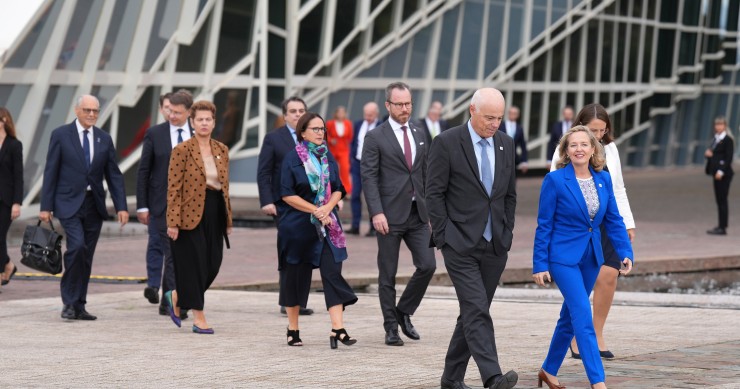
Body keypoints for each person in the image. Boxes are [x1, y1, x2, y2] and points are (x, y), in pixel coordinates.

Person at [426, 88, 518, 389]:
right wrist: (443, 237)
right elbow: (434, 193)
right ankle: (492, 377)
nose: (495, 124)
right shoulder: (447, 142)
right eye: (489, 117)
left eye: (499, 118)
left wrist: (506, 233)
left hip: (495, 245)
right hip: (459, 243)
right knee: (476, 308)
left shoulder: (506, 143)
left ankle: (451, 379)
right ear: (472, 110)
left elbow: (509, 196)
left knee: (473, 311)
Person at [533, 126, 634, 389]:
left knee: (568, 318)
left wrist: (625, 252)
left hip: (591, 257)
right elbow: (544, 224)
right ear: (566, 151)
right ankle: (598, 381)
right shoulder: (555, 180)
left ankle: (548, 370)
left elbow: (613, 219)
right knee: (582, 315)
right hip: (562, 258)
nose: (579, 149)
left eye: (584, 145)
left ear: (593, 149)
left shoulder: (603, 179)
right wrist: (540, 264)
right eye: (573, 145)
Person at [549, 103, 636, 360]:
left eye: (602, 130)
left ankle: (596, 333)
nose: (597, 136)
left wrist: (628, 222)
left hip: (607, 222)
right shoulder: (565, 148)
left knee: (610, 274)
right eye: (592, 130)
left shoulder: (611, 148)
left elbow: (618, 188)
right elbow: (555, 187)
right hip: (578, 227)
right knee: (582, 283)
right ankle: (577, 335)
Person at [40, 95, 129, 320]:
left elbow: (114, 175)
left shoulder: (104, 139)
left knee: (86, 255)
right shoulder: (60, 135)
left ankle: (79, 304)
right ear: (76, 110)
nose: (91, 114)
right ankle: (69, 302)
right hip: (68, 203)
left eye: (95, 111)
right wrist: (46, 205)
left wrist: (121, 206)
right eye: (87, 110)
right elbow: (51, 171)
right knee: (77, 247)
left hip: (94, 204)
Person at [362, 81, 436, 346]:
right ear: (388, 105)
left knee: (428, 265)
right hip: (389, 216)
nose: (405, 109)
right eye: (400, 104)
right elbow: (368, 177)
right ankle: (391, 328)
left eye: (408, 104)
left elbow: (426, 172)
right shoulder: (375, 137)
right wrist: (376, 212)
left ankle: (403, 311)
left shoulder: (419, 131)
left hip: (418, 213)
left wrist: (432, 211)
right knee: (388, 274)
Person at [278, 112, 358, 348]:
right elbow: (286, 193)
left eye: (323, 129)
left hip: (328, 225)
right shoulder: (292, 158)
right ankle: (293, 329)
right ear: (302, 132)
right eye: (315, 129)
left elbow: (339, 188)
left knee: (332, 271)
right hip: (298, 227)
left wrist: (328, 208)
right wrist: (315, 209)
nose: (321, 133)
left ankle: (338, 329)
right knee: (295, 277)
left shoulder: (327, 157)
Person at [164, 100, 232, 334]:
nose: (204, 123)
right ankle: (199, 317)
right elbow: (173, 188)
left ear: (214, 123)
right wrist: (172, 222)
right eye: (199, 119)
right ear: (192, 123)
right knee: (195, 266)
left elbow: (225, 187)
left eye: (208, 119)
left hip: (215, 211)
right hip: (188, 214)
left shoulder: (222, 149)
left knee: (213, 264)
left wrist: (228, 219)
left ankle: (177, 295)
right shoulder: (181, 150)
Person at [136, 91, 193, 316]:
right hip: (160, 203)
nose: (172, 115)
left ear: (189, 112)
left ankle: (168, 299)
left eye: (177, 112)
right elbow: (144, 171)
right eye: (169, 110)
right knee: (169, 251)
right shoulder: (155, 134)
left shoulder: (197, 133)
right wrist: (142, 205)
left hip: (190, 205)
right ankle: (175, 301)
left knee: (180, 254)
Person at [257, 96, 315, 316]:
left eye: (301, 110)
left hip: (310, 205)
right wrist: (267, 201)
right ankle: (288, 300)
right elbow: (264, 171)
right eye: (293, 111)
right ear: (285, 115)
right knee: (289, 250)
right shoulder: (274, 139)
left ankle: (301, 300)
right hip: (283, 205)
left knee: (308, 250)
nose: (298, 114)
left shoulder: (314, 137)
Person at [348, 102, 381, 236]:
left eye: (370, 115)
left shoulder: (381, 126)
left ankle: (374, 227)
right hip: (357, 164)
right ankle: (355, 226)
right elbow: (353, 141)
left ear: (376, 114)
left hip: (374, 165)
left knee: (372, 196)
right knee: (355, 195)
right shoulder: (357, 124)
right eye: (366, 114)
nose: (367, 117)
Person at [0, 108, 23, 287]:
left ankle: (2, 274)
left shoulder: (14, 145)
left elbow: (18, 176)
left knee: (0, 237)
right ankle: (8, 265)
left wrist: (17, 202)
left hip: (6, 200)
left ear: (5, 121)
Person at [705, 116, 734, 235]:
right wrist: (708, 155)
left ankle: (723, 227)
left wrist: (720, 171)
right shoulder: (715, 139)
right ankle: (721, 225)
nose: (718, 127)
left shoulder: (728, 140)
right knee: (719, 200)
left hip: (723, 174)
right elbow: (715, 155)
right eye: (716, 124)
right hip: (715, 173)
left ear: (725, 126)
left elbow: (728, 158)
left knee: (722, 200)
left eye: (720, 124)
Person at [326, 106, 353, 194]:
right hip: (333, 149)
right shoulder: (330, 123)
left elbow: (350, 137)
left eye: (343, 112)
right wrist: (330, 140)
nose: (341, 114)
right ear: (336, 113)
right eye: (339, 112)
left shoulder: (348, 123)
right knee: (331, 169)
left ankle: (347, 190)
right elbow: (325, 135)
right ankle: (331, 189)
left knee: (345, 169)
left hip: (344, 150)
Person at [503, 105, 528, 174]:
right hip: (500, 157)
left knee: (512, 180)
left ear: (517, 115)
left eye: (514, 113)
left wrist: (524, 161)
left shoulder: (519, 128)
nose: (512, 115)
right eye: (511, 113)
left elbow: (523, 145)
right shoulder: (500, 125)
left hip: (514, 159)